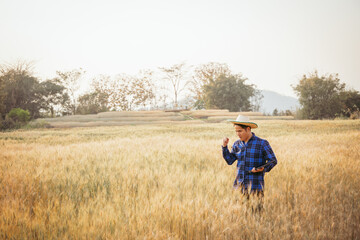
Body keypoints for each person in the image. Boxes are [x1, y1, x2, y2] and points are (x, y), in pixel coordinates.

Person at [222, 115, 277, 200]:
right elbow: (229, 160)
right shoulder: (237, 144)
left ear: (248, 129)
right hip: (238, 188)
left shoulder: (262, 143)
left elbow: (273, 160)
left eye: (240, 131)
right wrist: (224, 147)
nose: (237, 134)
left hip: (255, 188)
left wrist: (263, 168)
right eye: (236, 131)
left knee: (256, 212)